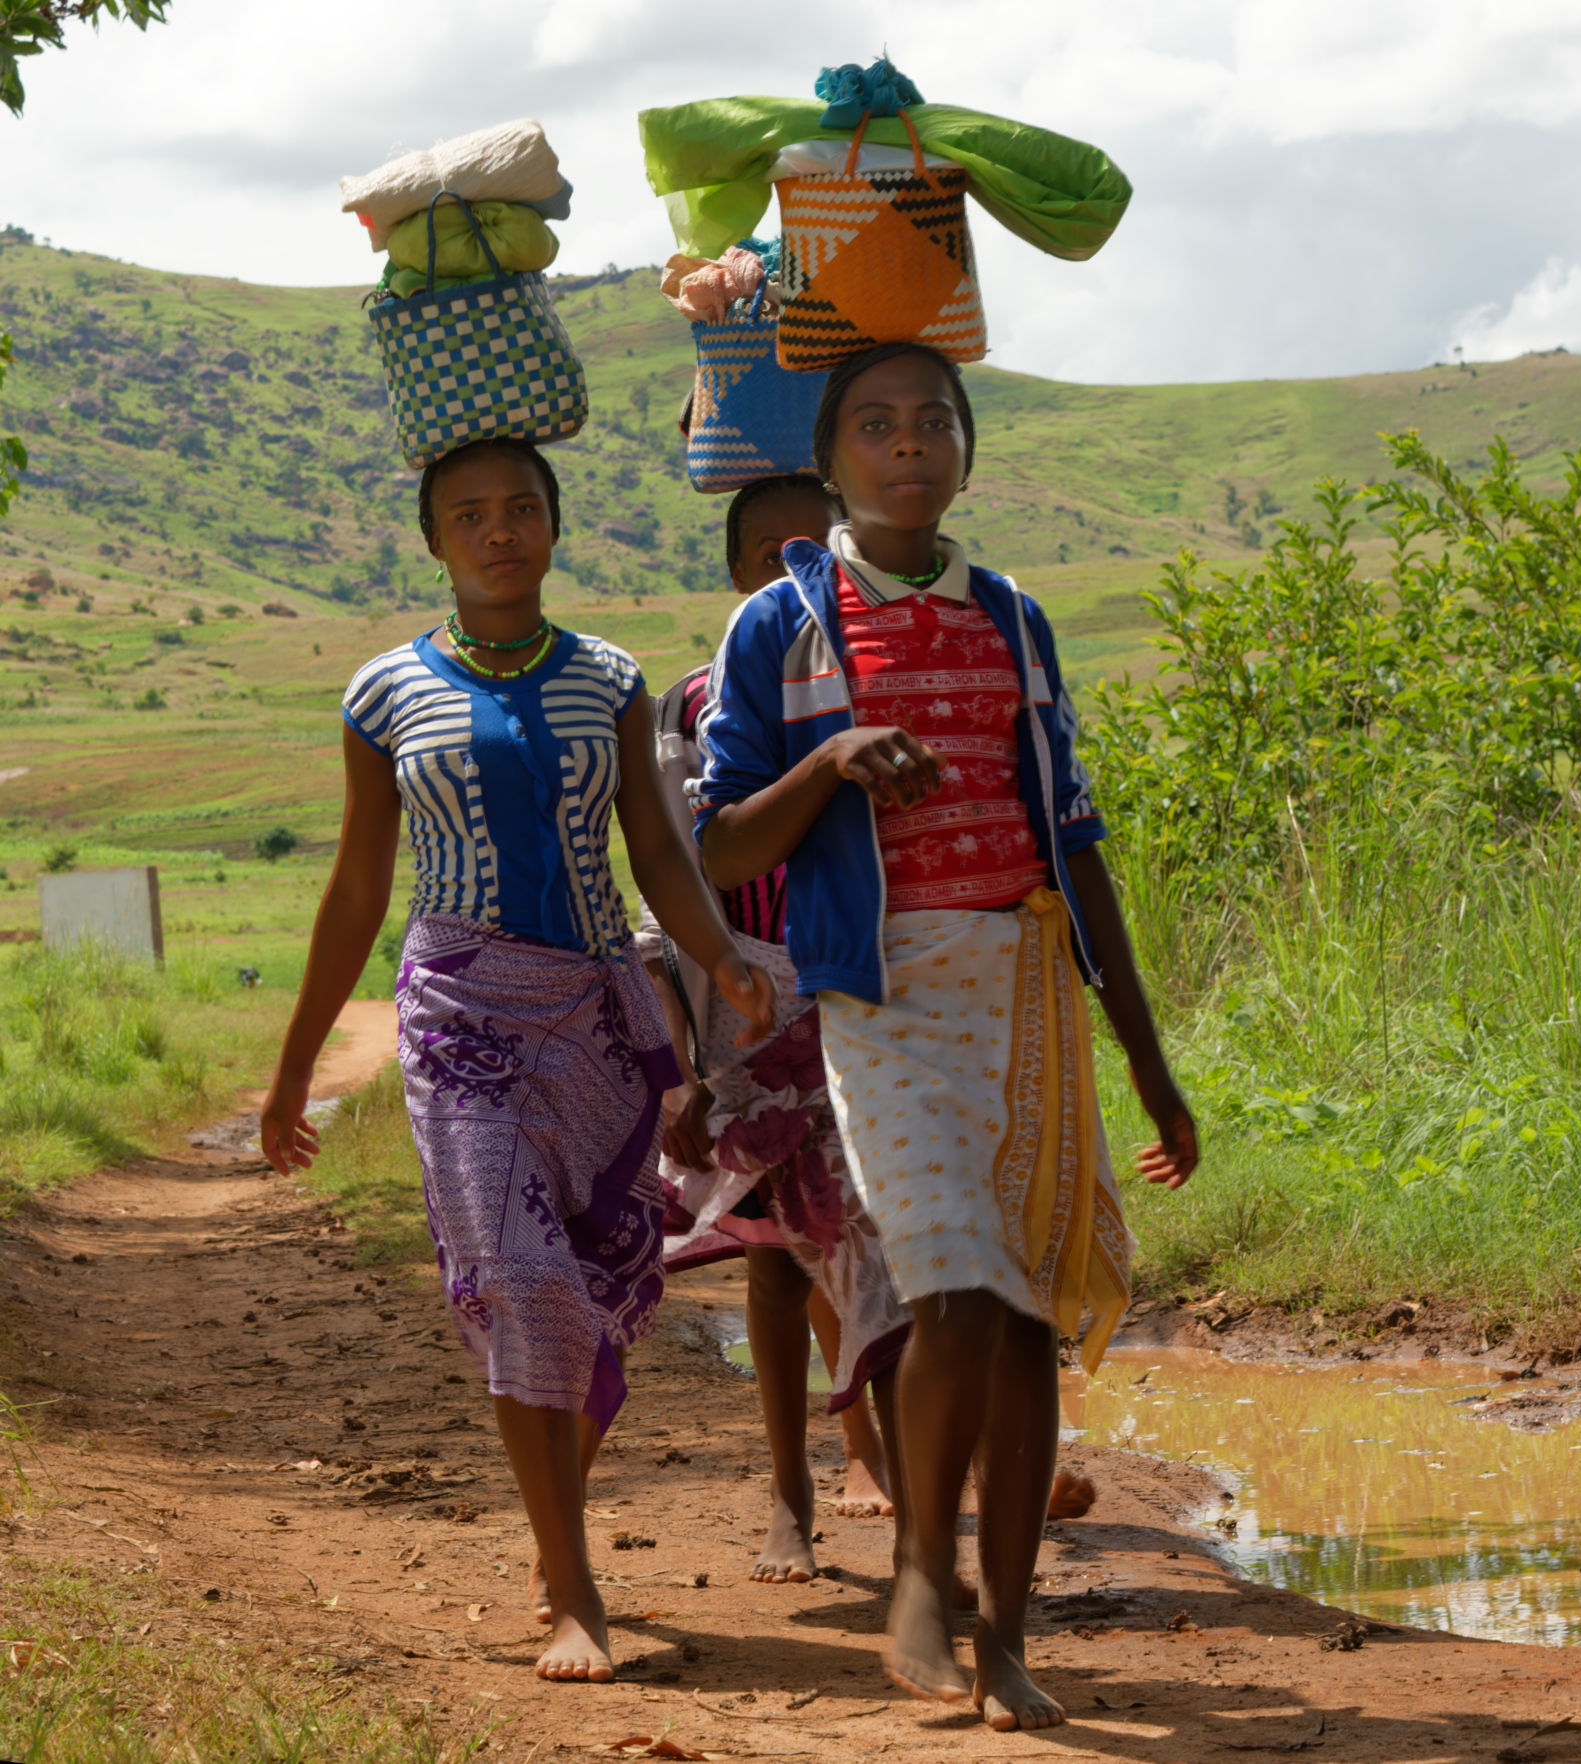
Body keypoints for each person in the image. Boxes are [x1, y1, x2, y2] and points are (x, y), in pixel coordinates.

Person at [693, 344, 1199, 1732]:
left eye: (933, 421)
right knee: (960, 1291)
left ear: (966, 447)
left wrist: (1150, 1067)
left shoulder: (1016, 621)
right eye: (875, 424)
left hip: (1026, 984)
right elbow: (720, 837)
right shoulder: (781, 630)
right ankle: (922, 1555)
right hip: (881, 995)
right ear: (831, 456)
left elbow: (1076, 844)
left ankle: (1008, 1638)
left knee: (1025, 1319)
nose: (906, 444)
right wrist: (833, 759)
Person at [257, 436, 774, 1687]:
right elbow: (357, 887)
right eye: (471, 516)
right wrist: (291, 1071)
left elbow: (656, 851)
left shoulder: (610, 679)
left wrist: (725, 960)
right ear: (435, 540)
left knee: (594, 1282)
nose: (500, 532)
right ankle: (574, 1585)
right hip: (458, 1019)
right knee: (521, 1280)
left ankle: (553, 1534)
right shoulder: (384, 692)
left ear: (555, 524)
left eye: (522, 509)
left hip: (596, 1012)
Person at [639, 473, 910, 1582]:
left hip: (874, 998)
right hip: (752, 1008)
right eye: (767, 555)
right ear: (739, 575)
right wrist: (686, 1064)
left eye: (816, 547)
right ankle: (791, 1495)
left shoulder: (893, 676)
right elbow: (670, 878)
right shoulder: (691, 703)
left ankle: (897, 1471)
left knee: (895, 1242)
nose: (793, 573)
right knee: (778, 1268)